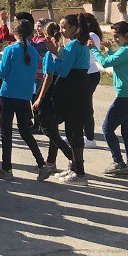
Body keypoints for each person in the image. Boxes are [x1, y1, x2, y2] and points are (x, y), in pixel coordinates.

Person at [0, 19, 53, 181]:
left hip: (8, 94)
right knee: (25, 132)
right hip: (25, 96)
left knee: (6, 132)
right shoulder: (34, 52)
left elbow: (2, 73)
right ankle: (42, 164)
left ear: (14, 33)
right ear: (30, 33)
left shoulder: (10, 50)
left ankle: (7, 168)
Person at [91, 21, 128, 180]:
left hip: (126, 98)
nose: (114, 39)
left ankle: (118, 162)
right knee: (127, 133)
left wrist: (94, 49)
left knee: (107, 128)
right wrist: (109, 50)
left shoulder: (126, 51)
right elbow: (117, 60)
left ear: (127, 35)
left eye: (116, 36)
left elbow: (105, 63)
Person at [47, 13, 92, 185]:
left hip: (74, 91)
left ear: (74, 28)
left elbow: (63, 71)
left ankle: (79, 173)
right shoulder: (80, 45)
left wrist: (55, 54)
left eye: (64, 27)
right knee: (73, 130)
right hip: (80, 88)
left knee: (74, 131)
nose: (61, 30)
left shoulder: (73, 45)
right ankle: (73, 167)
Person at [32, 22, 73, 178]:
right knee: (53, 127)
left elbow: (48, 76)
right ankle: (51, 162)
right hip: (62, 89)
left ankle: (71, 156)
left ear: (48, 36)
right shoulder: (65, 51)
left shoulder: (50, 54)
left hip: (49, 90)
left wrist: (39, 98)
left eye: (45, 37)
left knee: (47, 128)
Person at [82, 13, 103, 149]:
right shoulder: (88, 35)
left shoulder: (91, 35)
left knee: (86, 106)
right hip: (85, 72)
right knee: (80, 105)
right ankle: (80, 134)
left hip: (90, 73)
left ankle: (90, 138)